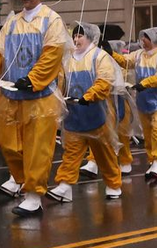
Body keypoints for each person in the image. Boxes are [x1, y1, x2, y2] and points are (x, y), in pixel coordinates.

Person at [0, 0, 66, 217]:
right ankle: (20, 180)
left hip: (40, 97)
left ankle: (34, 195)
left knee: (38, 147)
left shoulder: (51, 20)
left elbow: (52, 54)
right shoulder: (13, 22)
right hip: (10, 94)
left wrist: (33, 79)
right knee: (8, 142)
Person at [48, 23, 124, 203]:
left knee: (104, 154)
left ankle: (114, 184)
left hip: (97, 116)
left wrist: (89, 96)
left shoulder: (100, 56)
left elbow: (105, 80)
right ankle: (65, 186)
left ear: (90, 37)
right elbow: (59, 81)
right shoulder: (67, 59)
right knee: (71, 154)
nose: (76, 39)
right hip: (74, 116)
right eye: (74, 36)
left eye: (80, 36)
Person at [113, 26, 157, 183]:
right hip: (142, 101)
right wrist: (112, 54)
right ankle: (154, 159)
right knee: (148, 133)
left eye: (146, 37)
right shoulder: (138, 55)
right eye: (142, 37)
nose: (142, 40)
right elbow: (126, 61)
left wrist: (145, 83)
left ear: (154, 39)